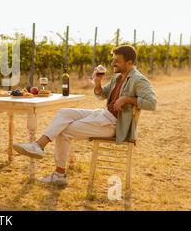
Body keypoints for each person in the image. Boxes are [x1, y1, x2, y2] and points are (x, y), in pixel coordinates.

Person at [13, 45, 157, 185]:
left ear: (129, 63)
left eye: (116, 61)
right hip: (103, 114)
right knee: (64, 113)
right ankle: (38, 146)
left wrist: (127, 99)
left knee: (64, 131)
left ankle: (58, 174)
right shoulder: (118, 76)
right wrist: (98, 83)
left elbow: (152, 103)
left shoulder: (138, 79)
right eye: (113, 59)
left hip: (113, 124)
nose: (112, 63)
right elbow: (102, 95)